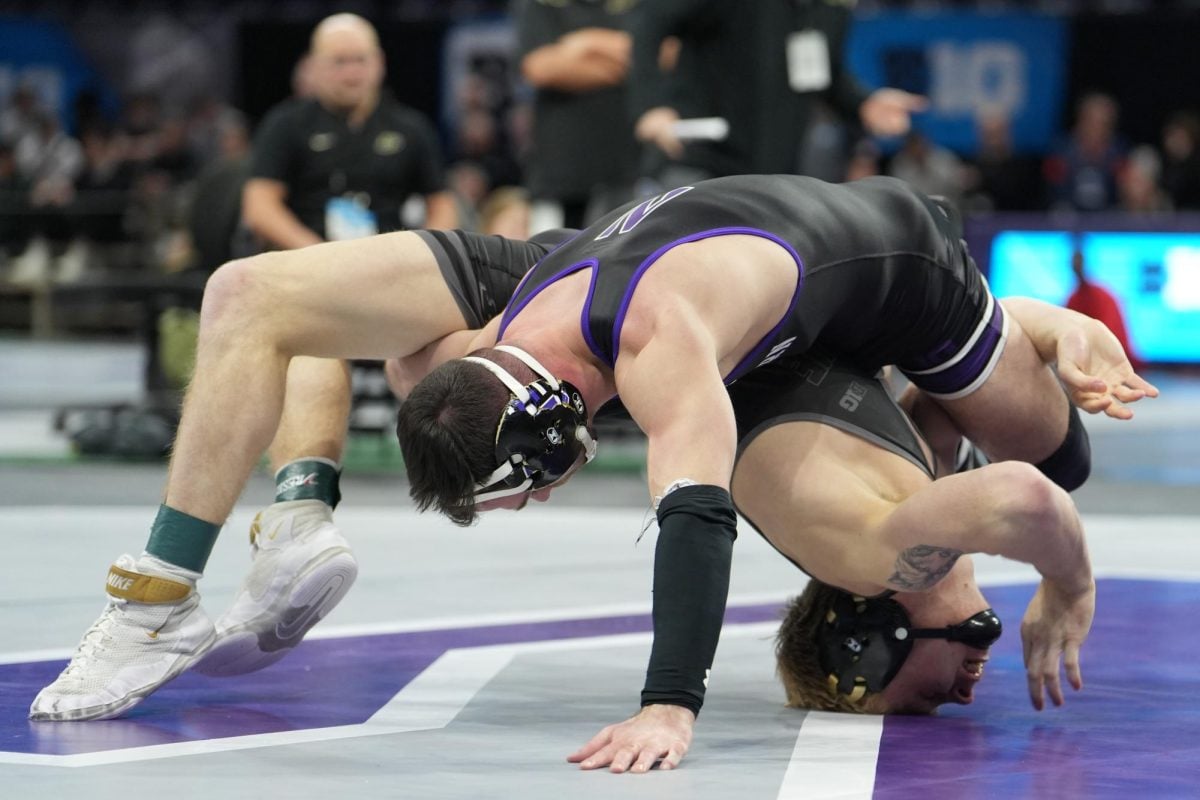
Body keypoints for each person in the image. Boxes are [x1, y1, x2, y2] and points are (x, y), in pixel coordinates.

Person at [395, 173, 1156, 772]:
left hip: (900, 271)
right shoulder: (504, 335)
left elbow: (695, 514)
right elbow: (404, 363)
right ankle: (1020, 322)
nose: (541, 498)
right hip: (796, 288)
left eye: (524, 487)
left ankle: (1020, 318)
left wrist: (669, 705)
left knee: (1062, 462)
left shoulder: (656, 342)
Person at [29, 224, 571, 720]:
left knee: (290, 314)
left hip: (578, 297)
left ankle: (167, 598)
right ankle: (296, 518)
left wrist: (662, 701)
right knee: (252, 297)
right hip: (549, 273)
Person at [729, 295, 1136, 717]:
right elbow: (971, 336)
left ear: (871, 644)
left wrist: (1071, 586)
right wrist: (1066, 328)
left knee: (1058, 469)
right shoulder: (902, 487)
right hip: (860, 279)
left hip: (774, 278)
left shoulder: (871, 559)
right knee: (1054, 452)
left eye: (928, 696)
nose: (964, 696)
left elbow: (1028, 497)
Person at [627, 0, 927, 187]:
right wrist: (652, 105)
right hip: (698, 164)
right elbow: (648, 21)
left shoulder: (830, 7)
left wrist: (864, 103)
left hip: (772, 178)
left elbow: (822, 74)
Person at [513, 0, 641, 231]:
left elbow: (660, 53)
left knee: (624, 255)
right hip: (559, 171)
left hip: (626, 166)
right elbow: (540, 69)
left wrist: (587, 43)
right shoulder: (543, 5)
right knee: (552, 259)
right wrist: (621, 64)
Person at [1065, 248, 1140, 370]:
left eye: (1077, 263)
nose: (1075, 267)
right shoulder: (1074, 297)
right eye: (1073, 264)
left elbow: (1109, 335)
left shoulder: (1102, 296)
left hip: (1116, 362)